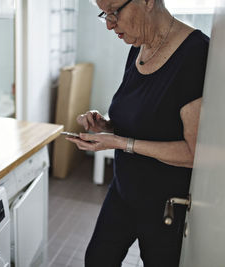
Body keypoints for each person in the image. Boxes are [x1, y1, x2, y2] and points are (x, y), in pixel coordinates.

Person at [65, 0, 209, 266]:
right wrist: (105, 126)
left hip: (164, 206)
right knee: (96, 260)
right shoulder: (138, 46)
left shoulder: (196, 54)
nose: (109, 24)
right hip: (122, 191)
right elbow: (142, 118)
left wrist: (120, 143)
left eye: (114, 12)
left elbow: (195, 153)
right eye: (104, 14)